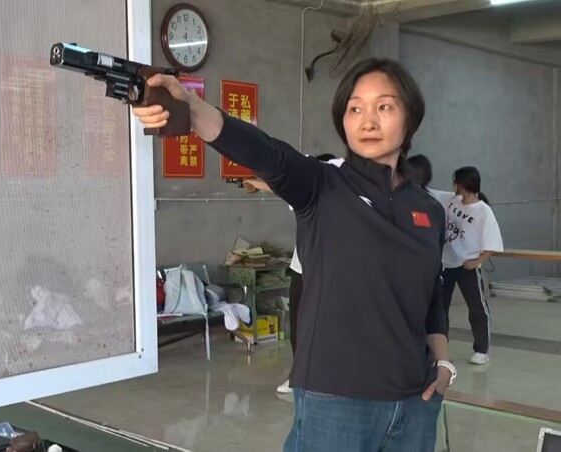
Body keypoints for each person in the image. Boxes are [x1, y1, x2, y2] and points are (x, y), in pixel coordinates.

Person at [132, 58, 454, 452]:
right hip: (336, 402)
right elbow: (267, 154)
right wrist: (193, 108)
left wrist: (443, 364)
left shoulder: (429, 209)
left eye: (384, 106)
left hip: (416, 403)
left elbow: (432, 296)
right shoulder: (322, 185)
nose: (368, 121)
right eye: (355, 109)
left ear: (411, 118)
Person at [243, 153, 337, 395]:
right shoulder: (306, 194)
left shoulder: (338, 195)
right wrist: (256, 183)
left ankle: (327, 375)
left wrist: (257, 183)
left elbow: (282, 186)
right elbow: (282, 187)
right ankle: (298, 376)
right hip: (302, 269)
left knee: (327, 326)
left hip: (329, 272)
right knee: (298, 324)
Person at [429, 167, 503, 365]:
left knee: (477, 307)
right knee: (440, 308)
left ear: (460, 185)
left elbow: (493, 245)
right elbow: (429, 192)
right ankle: (441, 351)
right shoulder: (452, 200)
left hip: (467, 266)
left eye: (455, 182)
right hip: (446, 264)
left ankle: (481, 350)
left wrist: (476, 262)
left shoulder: (483, 211)